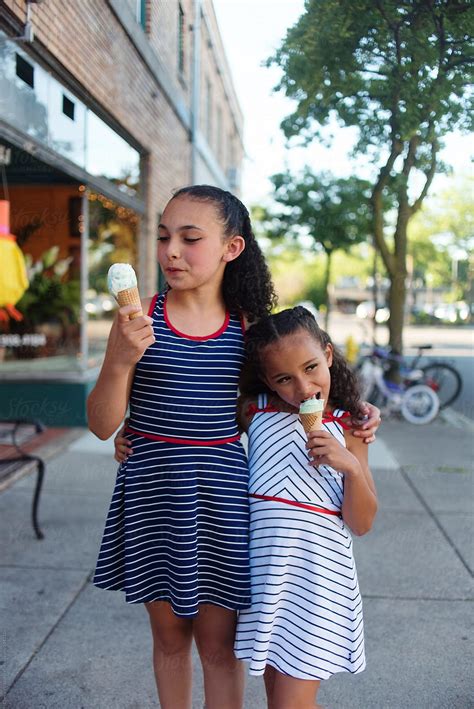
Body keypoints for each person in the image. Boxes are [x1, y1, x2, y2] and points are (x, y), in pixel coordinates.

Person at [95, 184, 381, 709]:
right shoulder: (138, 320)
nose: (170, 251)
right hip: (153, 492)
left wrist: (358, 414)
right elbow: (101, 424)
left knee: (220, 649)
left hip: (223, 499)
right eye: (163, 237)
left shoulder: (248, 331)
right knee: (168, 641)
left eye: (190, 238)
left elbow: (296, 393)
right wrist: (118, 361)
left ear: (232, 248)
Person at [232, 306, 378, 709]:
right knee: (279, 699)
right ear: (267, 381)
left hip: (317, 584)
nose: (303, 387)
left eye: (312, 367)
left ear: (329, 355)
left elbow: (362, 523)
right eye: (284, 378)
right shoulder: (256, 410)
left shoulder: (351, 428)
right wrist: (131, 433)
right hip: (266, 580)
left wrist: (349, 466)